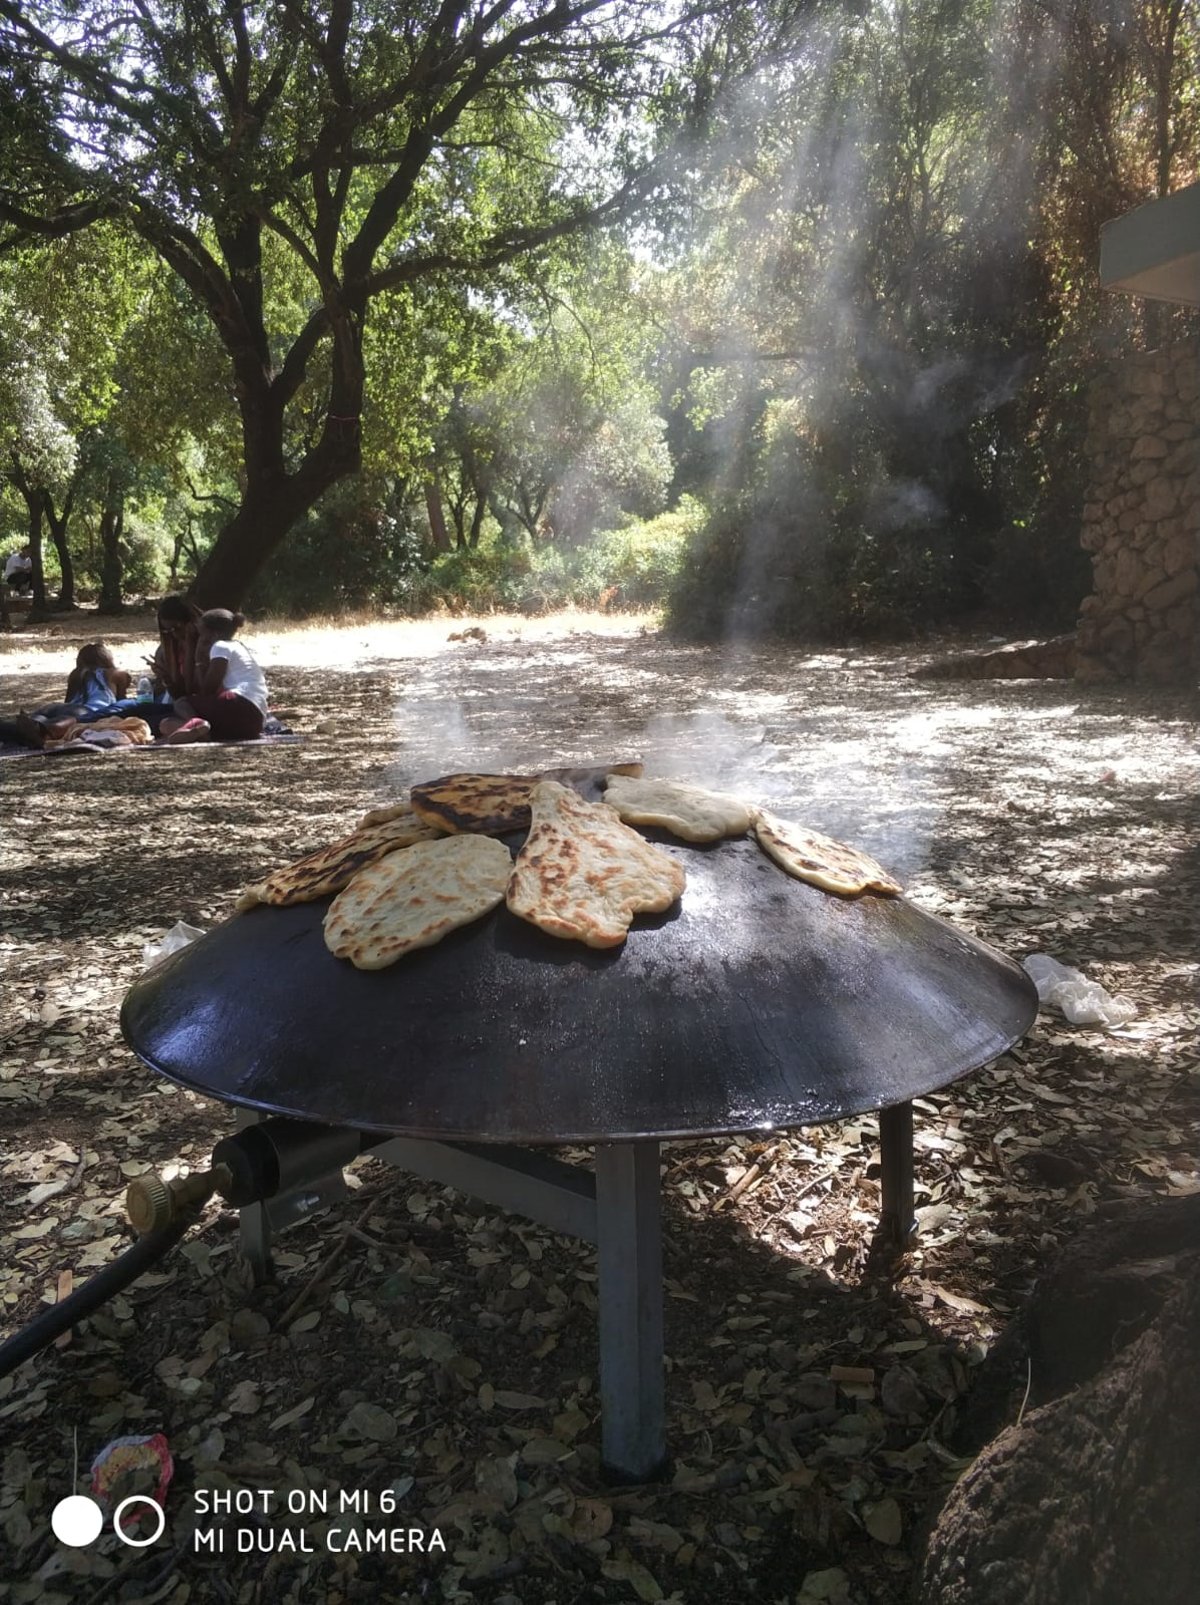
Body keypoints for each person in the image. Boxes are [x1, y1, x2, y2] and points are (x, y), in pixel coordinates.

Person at [161, 608, 269, 744]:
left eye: (202, 634)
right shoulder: (238, 646)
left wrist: (199, 659)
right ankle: (202, 732)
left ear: (213, 634)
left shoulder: (220, 646)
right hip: (254, 724)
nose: (200, 638)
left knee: (182, 703)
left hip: (240, 705)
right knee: (166, 724)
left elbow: (207, 689)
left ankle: (197, 724)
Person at [150, 595, 202, 699]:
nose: (174, 635)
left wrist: (190, 647)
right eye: (167, 631)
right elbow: (176, 694)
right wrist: (165, 678)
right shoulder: (168, 649)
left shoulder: (206, 648)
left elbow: (191, 691)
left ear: (192, 622)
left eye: (177, 628)